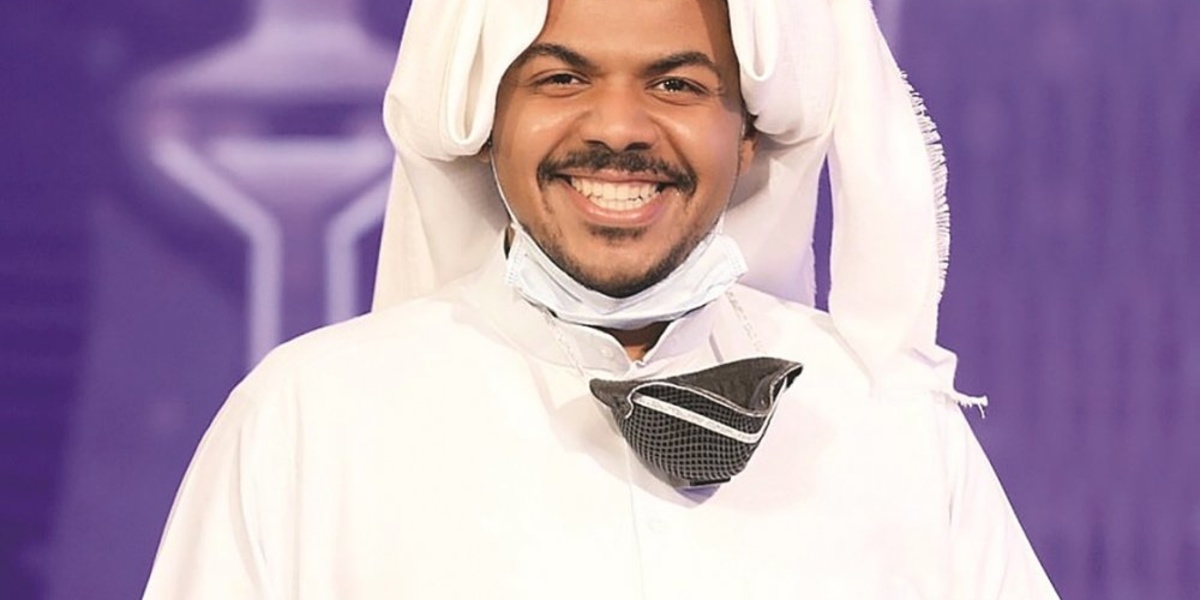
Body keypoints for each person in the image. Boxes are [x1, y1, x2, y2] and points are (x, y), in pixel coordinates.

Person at [143, 0, 1060, 597]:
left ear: (749, 134)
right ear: (485, 119)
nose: (619, 128)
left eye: (677, 84)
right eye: (562, 78)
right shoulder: (308, 424)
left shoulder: (889, 429)